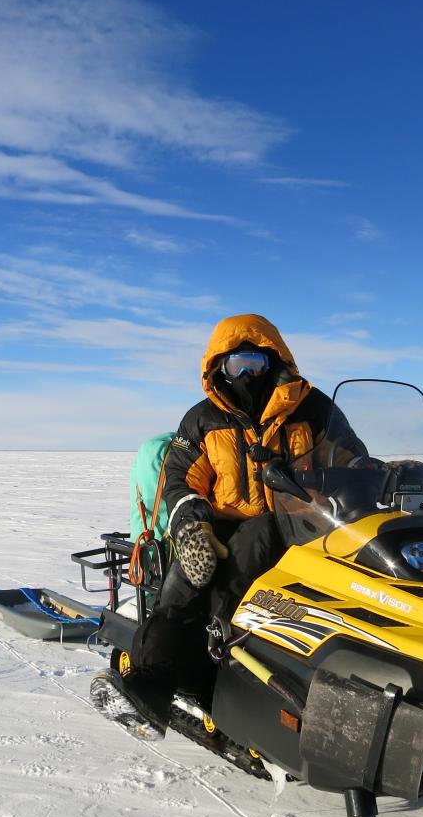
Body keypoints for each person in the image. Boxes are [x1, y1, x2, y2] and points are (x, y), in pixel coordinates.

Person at [119, 313, 370, 731]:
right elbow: (181, 479)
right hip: (224, 527)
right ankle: (153, 681)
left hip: (311, 525)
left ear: (275, 361)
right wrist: (189, 522)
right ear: (219, 368)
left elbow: (349, 455)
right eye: (238, 366)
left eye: (257, 363)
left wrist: (378, 471)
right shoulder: (202, 419)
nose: (248, 375)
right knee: (188, 582)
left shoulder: (314, 407)